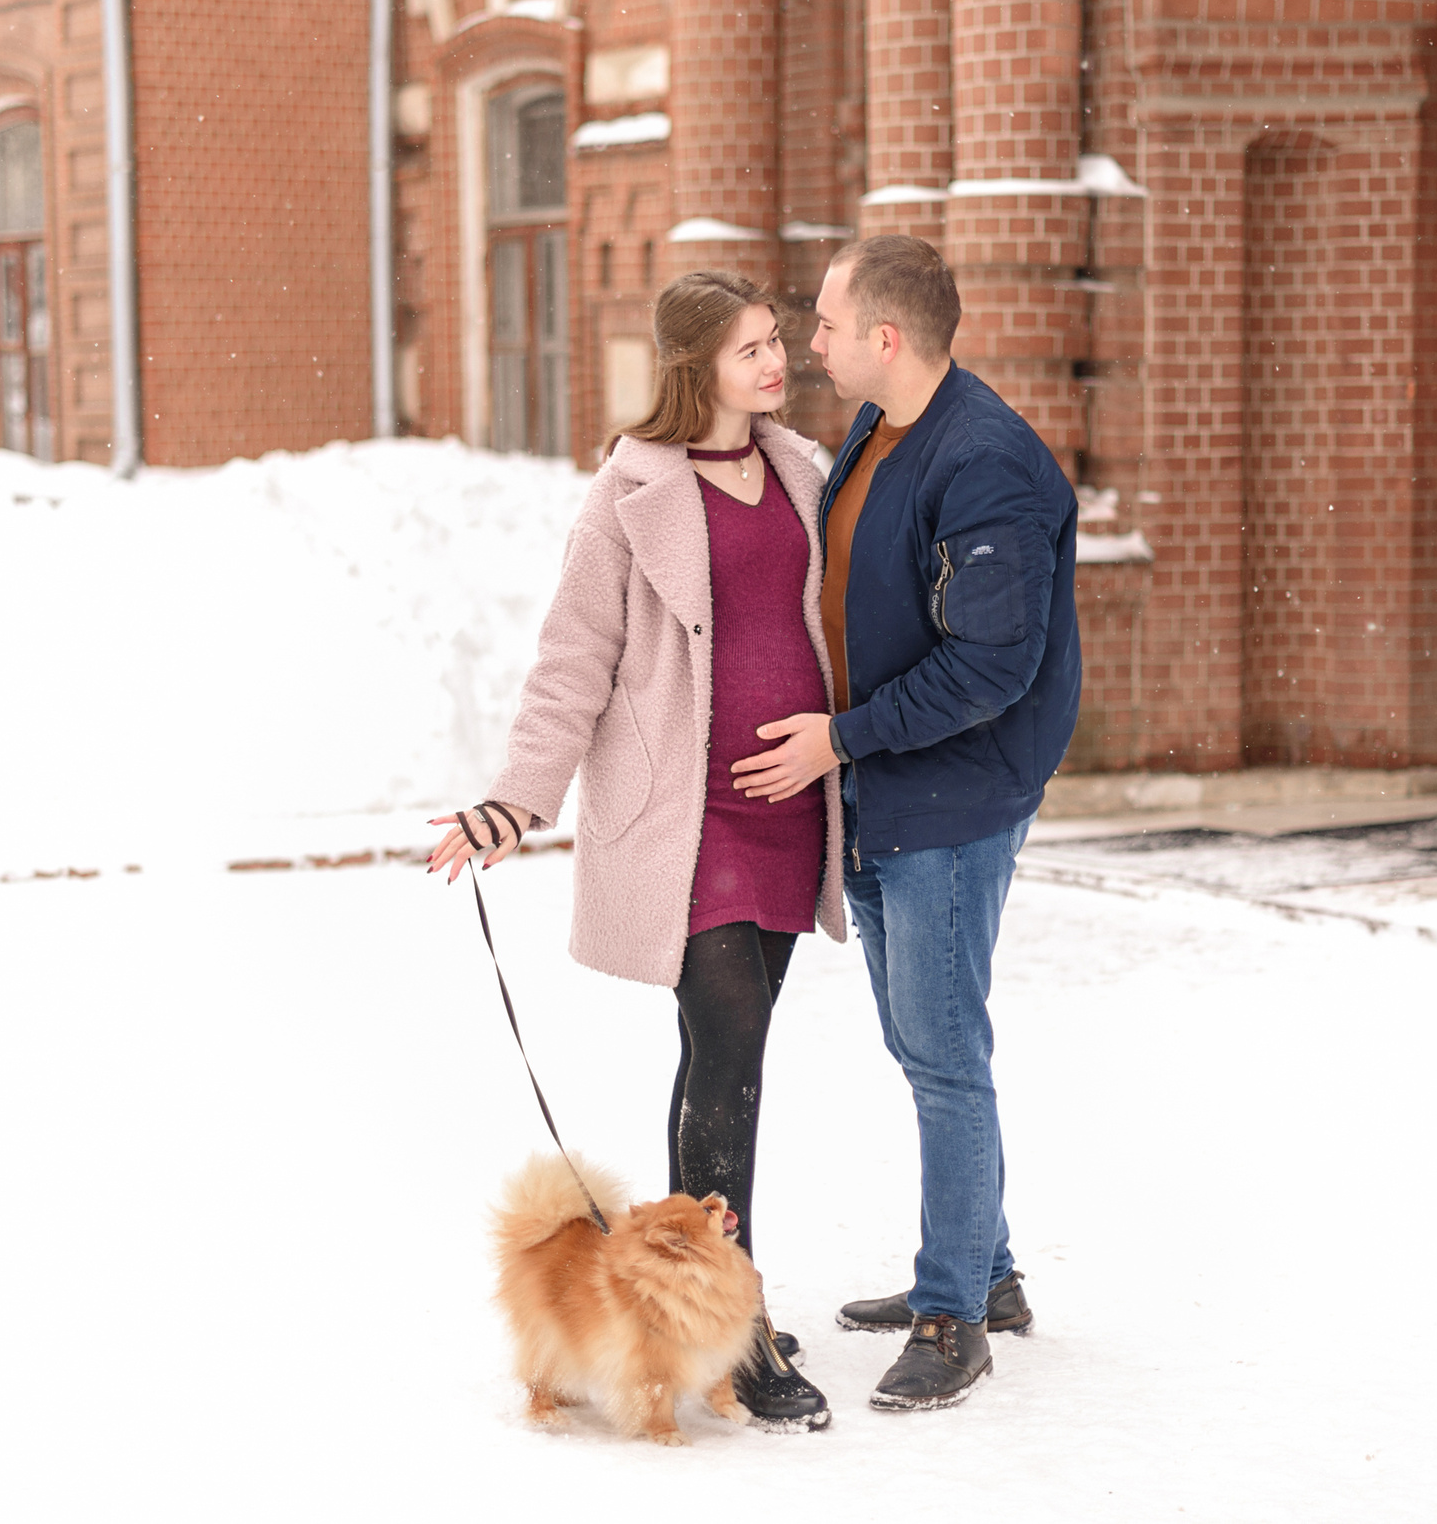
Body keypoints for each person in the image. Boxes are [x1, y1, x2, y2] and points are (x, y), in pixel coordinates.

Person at [425, 268, 845, 1431]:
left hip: (790, 812)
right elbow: (573, 664)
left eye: (775, 343)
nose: (775, 364)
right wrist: (514, 801)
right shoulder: (625, 496)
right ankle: (742, 1329)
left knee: (717, 1060)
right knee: (729, 1045)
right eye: (752, 349)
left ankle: (683, 1304)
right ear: (691, 365)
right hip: (686, 819)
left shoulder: (803, 473)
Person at [732, 233, 1081, 1412]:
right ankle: (989, 1270)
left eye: (825, 325)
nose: (809, 343)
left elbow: (991, 666)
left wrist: (841, 738)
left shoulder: (986, 465)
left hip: (951, 793)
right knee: (925, 1041)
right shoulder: (879, 433)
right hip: (885, 789)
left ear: (886, 336)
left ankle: (953, 1315)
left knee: (942, 1054)